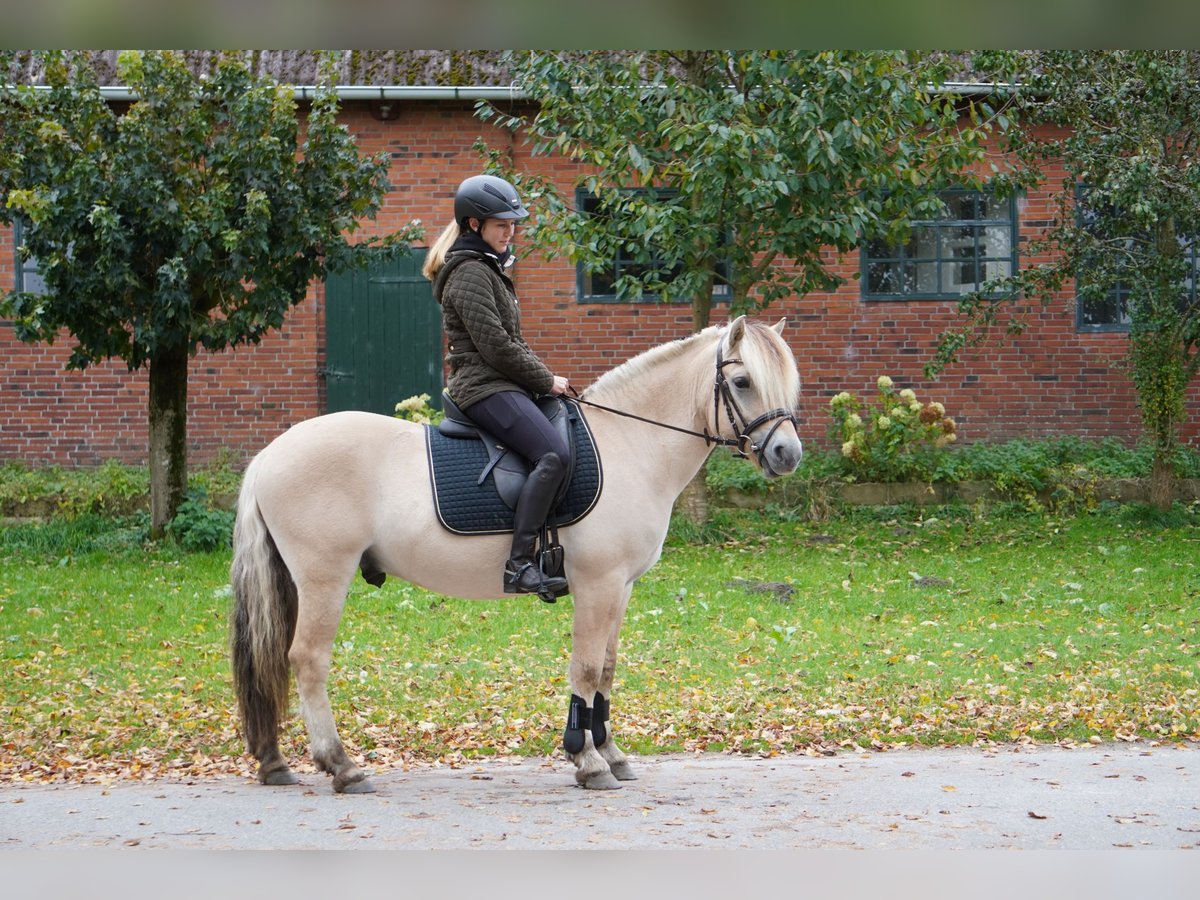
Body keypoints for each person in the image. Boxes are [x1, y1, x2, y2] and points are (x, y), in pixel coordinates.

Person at [423, 174, 571, 597]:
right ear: (474, 225)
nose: (510, 232)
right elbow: (497, 347)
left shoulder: (487, 267)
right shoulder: (469, 271)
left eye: (513, 224)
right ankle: (520, 564)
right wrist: (545, 379)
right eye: (501, 225)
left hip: (501, 381)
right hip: (483, 386)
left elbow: (511, 343)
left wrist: (543, 382)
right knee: (553, 453)